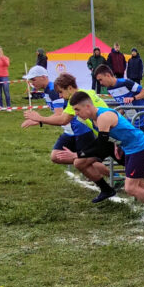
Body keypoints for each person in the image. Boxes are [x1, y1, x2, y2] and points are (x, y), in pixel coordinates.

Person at [68, 90, 144, 224]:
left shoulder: (103, 117)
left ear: (87, 106)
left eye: (77, 109)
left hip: (138, 147)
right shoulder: (95, 118)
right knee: (139, 185)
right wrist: (117, 145)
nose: (76, 113)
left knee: (130, 188)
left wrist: (78, 155)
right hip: (130, 148)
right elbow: (120, 130)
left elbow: (101, 146)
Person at [22, 71, 114, 202]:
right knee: (70, 159)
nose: (60, 95)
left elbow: (62, 119)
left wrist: (39, 119)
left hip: (106, 135)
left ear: (69, 88)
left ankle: (116, 181)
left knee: (82, 161)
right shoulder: (78, 95)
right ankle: (111, 185)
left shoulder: (75, 99)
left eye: (61, 92)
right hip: (101, 135)